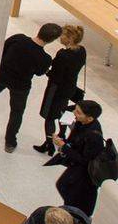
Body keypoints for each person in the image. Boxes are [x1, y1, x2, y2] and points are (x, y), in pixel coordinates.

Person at [0, 22, 62, 153]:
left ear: (40, 30)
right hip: (21, 86)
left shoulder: (18, 38)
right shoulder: (45, 58)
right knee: (16, 113)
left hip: (1, 77)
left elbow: (2, 49)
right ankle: (10, 142)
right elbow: (39, 72)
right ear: (52, 40)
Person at [47, 100, 106, 214]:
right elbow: (74, 141)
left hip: (85, 173)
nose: (74, 113)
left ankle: (73, 216)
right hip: (77, 167)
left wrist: (64, 147)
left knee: (70, 192)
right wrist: (63, 144)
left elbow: (85, 161)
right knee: (63, 186)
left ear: (89, 118)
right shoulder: (81, 123)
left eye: (78, 112)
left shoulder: (93, 136)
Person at [35, 25, 86, 155]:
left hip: (56, 89)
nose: (60, 38)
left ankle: (49, 143)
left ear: (70, 38)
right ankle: (62, 135)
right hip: (70, 88)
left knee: (49, 116)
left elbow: (56, 75)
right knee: (63, 111)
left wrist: (47, 71)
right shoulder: (82, 51)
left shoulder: (63, 55)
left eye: (62, 35)